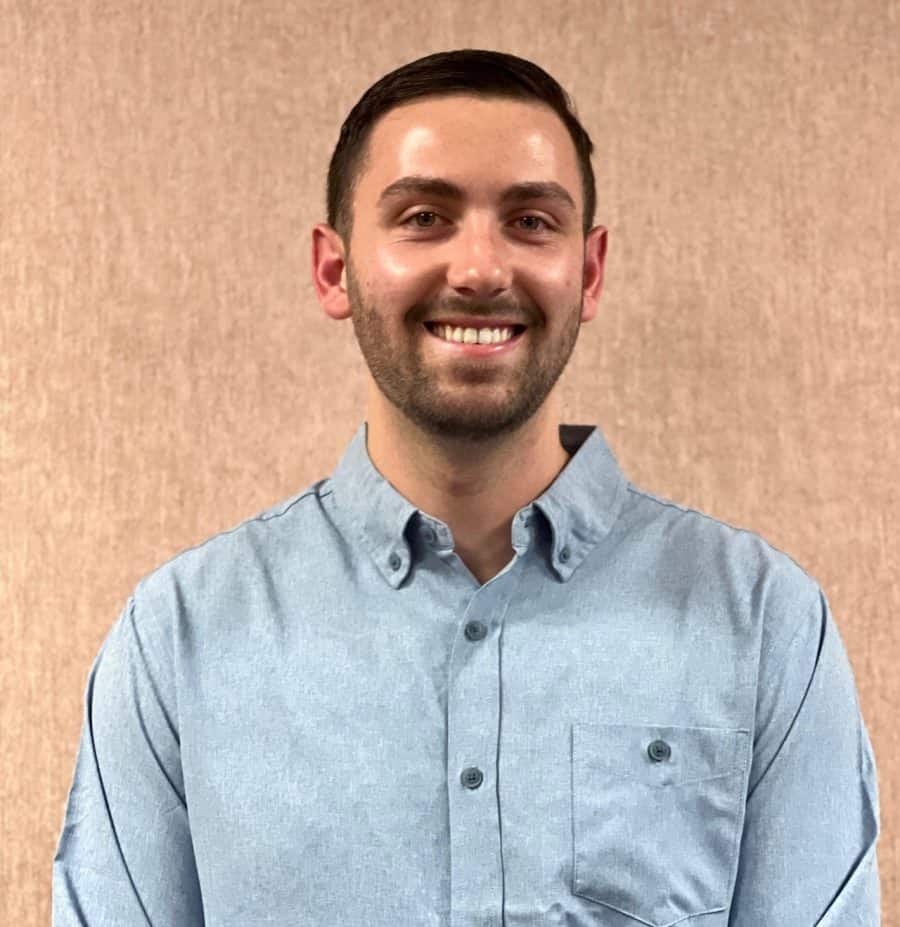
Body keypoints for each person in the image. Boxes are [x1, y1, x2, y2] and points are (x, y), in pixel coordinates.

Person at [52, 48, 881, 926]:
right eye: (423, 217)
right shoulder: (178, 640)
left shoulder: (764, 626)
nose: (482, 268)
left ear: (589, 271)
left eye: (530, 221)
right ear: (334, 270)